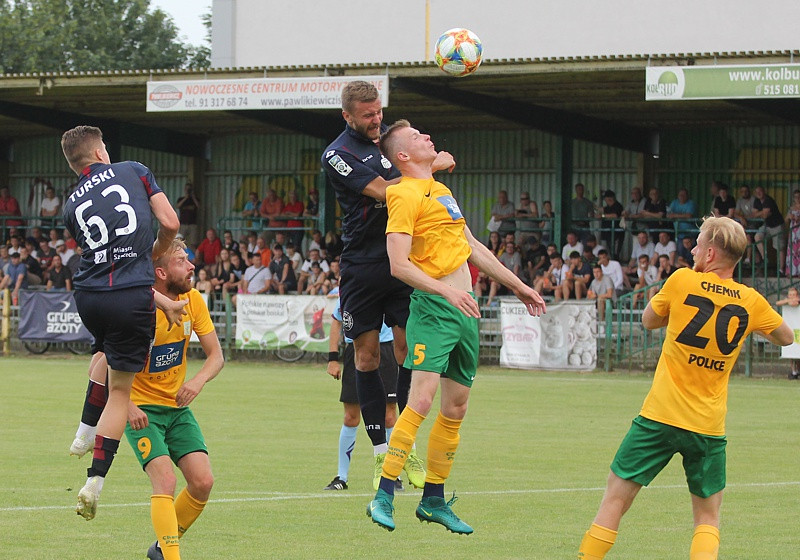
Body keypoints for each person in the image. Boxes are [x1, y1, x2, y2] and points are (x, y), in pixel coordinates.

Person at [576, 216, 793, 560]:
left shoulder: (682, 280)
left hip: (659, 416)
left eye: (697, 244)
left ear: (709, 254)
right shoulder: (750, 301)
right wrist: (749, 326)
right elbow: (786, 336)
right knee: (707, 518)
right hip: (707, 426)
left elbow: (648, 320)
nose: (691, 249)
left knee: (614, 500)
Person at [367, 120, 546, 533]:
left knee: (456, 407)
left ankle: (433, 499)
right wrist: (445, 292)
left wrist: (518, 286)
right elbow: (398, 264)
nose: (427, 137)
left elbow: (473, 247)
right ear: (403, 157)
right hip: (433, 308)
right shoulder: (402, 194)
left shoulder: (442, 192)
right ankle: (384, 495)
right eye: (417, 137)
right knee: (422, 401)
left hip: (464, 312)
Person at [321, 82, 456, 490]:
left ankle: (403, 445)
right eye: (367, 115)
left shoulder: (391, 144)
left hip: (403, 260)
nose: (376, 119)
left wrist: (424, 166)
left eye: (379, 111)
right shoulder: (338, 155)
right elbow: (383, 191)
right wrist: (429, 169)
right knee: (365, 358)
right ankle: (381, 454)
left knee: (405, 348)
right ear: (347, 116)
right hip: (362, 265)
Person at [71, 239, 223, 560]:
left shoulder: (193, 300)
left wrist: (197, 381)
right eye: (182, 261)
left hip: (177, 409)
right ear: (161, 272)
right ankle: (171, 556)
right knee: (165, 480)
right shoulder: (137, 308)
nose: (191, 266)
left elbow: (216, 357)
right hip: (140, 410)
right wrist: (125, 405)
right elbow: (100, 365)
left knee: (203, 482)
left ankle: (160, 548)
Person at [61, 125, 180, 521]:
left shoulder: (69, 206)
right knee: (120, 392)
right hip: (130, 296)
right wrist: (154, 254)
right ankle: (95, 479)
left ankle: (83, 431)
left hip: (88, 295)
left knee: (102, 353)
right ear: (98, 152)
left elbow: (102, 253)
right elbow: (171, 222)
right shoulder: (134, 169)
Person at [324, 292, 408, 492]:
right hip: (358, 349)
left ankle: (391, 475)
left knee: (389, 417)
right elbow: (336, 320)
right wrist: (332, 358)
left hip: (387, 350)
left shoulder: (390, 285)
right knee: (351, 417)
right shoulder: (354, 287)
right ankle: (341, 477)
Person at [752, 186, 785, 267]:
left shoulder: (768, 200)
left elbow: (765, 215)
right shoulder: (756, 201)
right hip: (767, 225)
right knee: (757, 237)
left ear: (764, 191)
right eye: (756, 192)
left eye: (760, 191)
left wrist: (761, 213)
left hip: (777, 225)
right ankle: (765, 258)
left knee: (779, 247)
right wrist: (762, 213)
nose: (758, 193)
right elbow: (754, 214)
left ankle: (781, 269)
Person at [776, 287, 800, 379]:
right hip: (792, 330)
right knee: (791, 351)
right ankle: (794, 371)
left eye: (794, 295)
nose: (792, 297)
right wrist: (787, 301)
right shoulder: (786, 303)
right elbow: (778, 303)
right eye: (790, 295)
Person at [600, 190, 624, 259]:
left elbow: (615, 215)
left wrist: (603, 216)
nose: (605, 200)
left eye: (606, 198)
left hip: (616, 234)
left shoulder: (618, 206)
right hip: (607, 234)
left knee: (615, 253)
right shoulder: (607, 207)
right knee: (609, 253)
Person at [175, 182, 200, 247]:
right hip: (183, 223)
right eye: (187, 189)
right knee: (180, 241)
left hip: (192, 223)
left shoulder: (195, 199)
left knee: (193, 242)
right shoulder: (181, 199)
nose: (188, 191)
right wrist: (185, 198)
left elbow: (199, 206)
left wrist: (193, 197)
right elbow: (177, 206)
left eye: (189, 189)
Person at [785, 190, 800, 277]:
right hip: (793, 232)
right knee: (792, 252)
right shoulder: (791, 208)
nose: (797, 199)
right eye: (796, 197)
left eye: (799, 197)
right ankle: (791, 272)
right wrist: (790, 217)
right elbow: (786, 220)